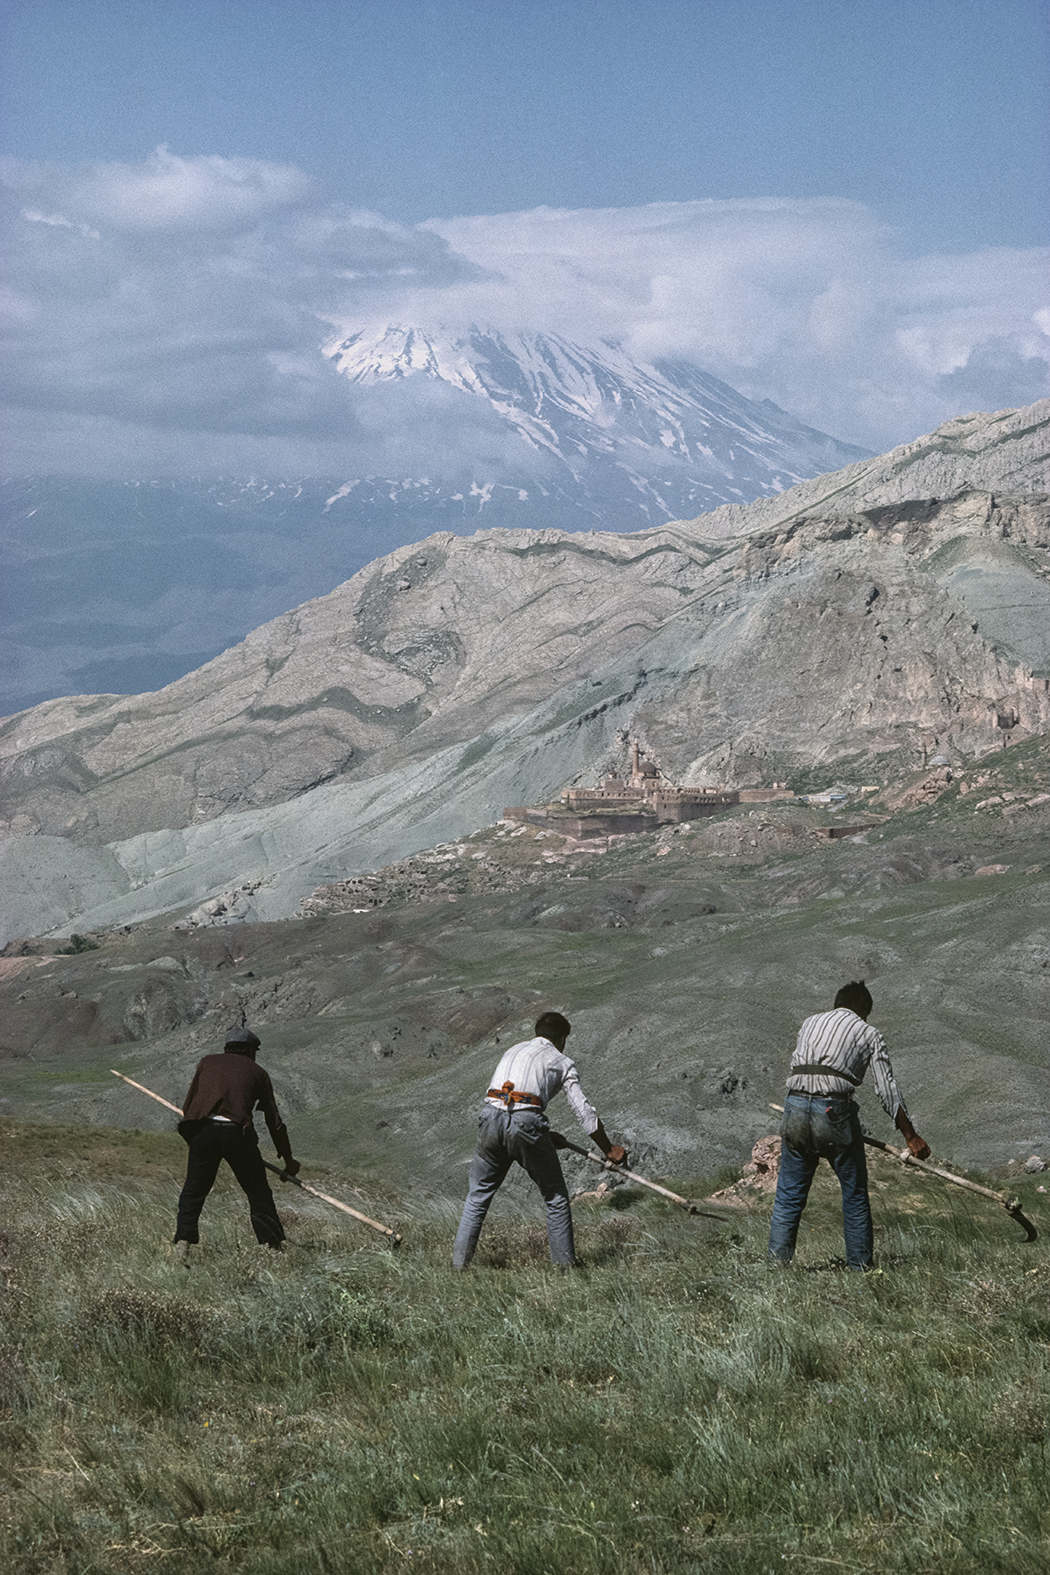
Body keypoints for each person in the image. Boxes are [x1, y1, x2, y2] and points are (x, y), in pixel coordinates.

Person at [768, 981, 930, 1272]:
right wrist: (911, 1136)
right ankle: (861, 1272)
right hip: (832, 1112)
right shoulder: (868, 1033)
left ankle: (776, 1271)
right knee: (854, 1195)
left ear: (837, 1004)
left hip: (793, 1107)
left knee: (788, 1197)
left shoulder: (810, 1023)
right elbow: (886, 1090)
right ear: (864, 1011)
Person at [452, 1011, 628, 1270]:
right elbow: (583, 1111)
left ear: (538, 1033)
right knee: (555, 1197)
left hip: (489, 1118)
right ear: (562, 1038)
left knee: (477, 1196)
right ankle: (565, 1269)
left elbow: (506, 1107)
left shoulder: (513, 1050)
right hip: (526, 1124)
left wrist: (542, 1135)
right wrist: (609, 1149)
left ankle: (458, 1268)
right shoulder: (561, 1060)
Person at [173, 1026, 300, 1263]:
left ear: (227, 1047)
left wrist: (194, 1138)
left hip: (205, 1132)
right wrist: (288, 1159)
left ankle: (183, 1243)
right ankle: (273, 1249)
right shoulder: (258, 1072)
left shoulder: (206, 1063)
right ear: (251, 1050)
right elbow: (274, 1121)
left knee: (194, 1190)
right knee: (258, 1193)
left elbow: (191, 1105)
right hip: (237, 1135)